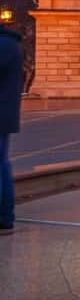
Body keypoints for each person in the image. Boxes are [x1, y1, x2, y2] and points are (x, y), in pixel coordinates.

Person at [0, 21, 24, 234]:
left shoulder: (4, 45)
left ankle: (4, 217)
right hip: (5, 114)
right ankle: (5, 216)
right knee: (2, 164)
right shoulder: (10, 43)